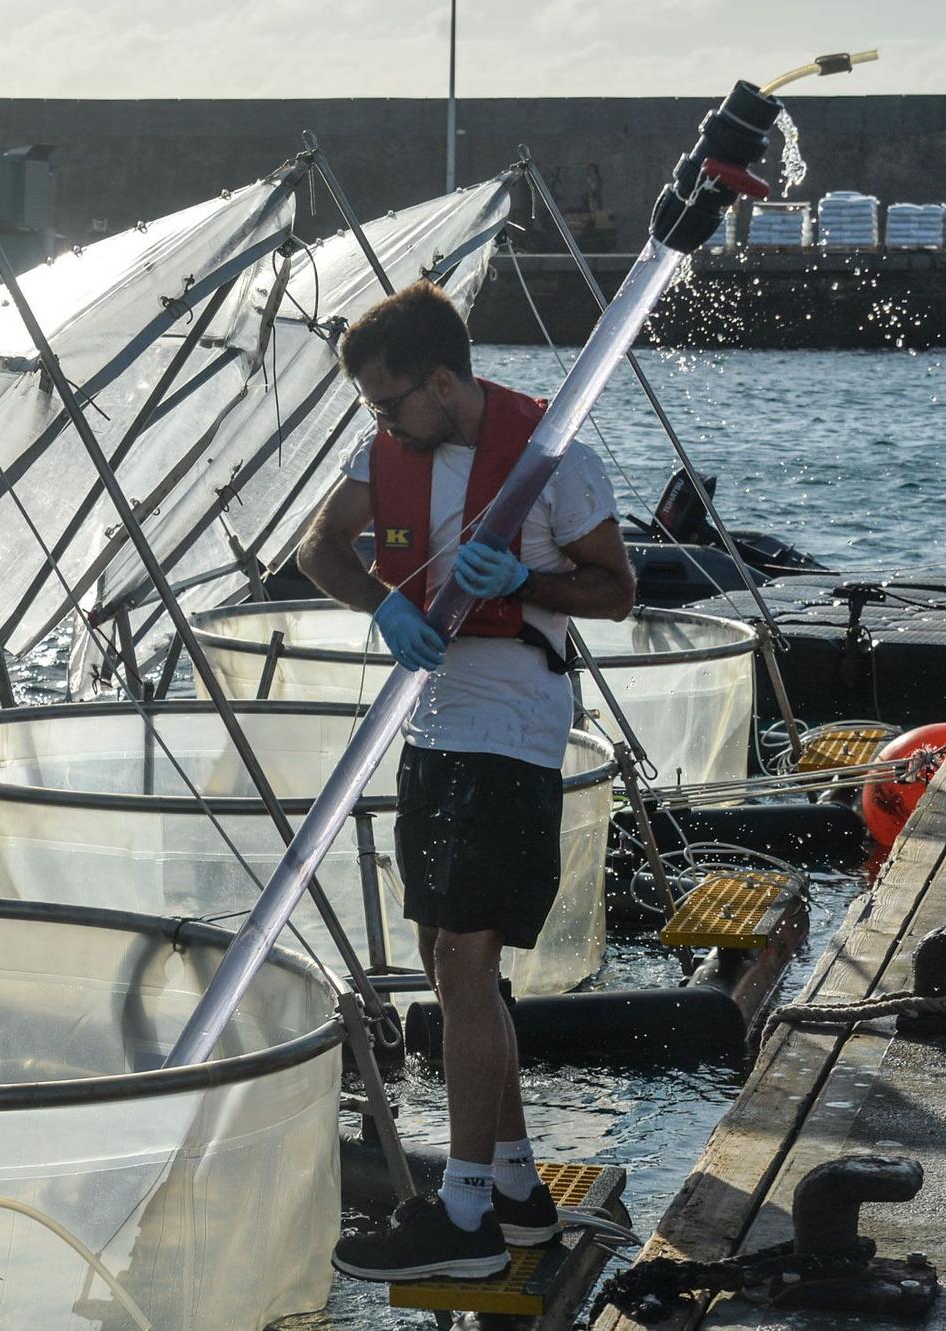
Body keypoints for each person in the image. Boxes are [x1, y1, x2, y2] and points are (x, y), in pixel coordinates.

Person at [302, 281, 634, 1282]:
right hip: (433, 720)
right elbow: (318, 545)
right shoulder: (384, 455)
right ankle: (519, 1190)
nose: (380, 420)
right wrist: (379, 606)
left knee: (463, 958)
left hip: (513, 723)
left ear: (441, 382)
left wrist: (524, 583)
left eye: (389, 401)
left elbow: (614, 589)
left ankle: (463, 1213)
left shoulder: (554, 462)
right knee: (448, 959)